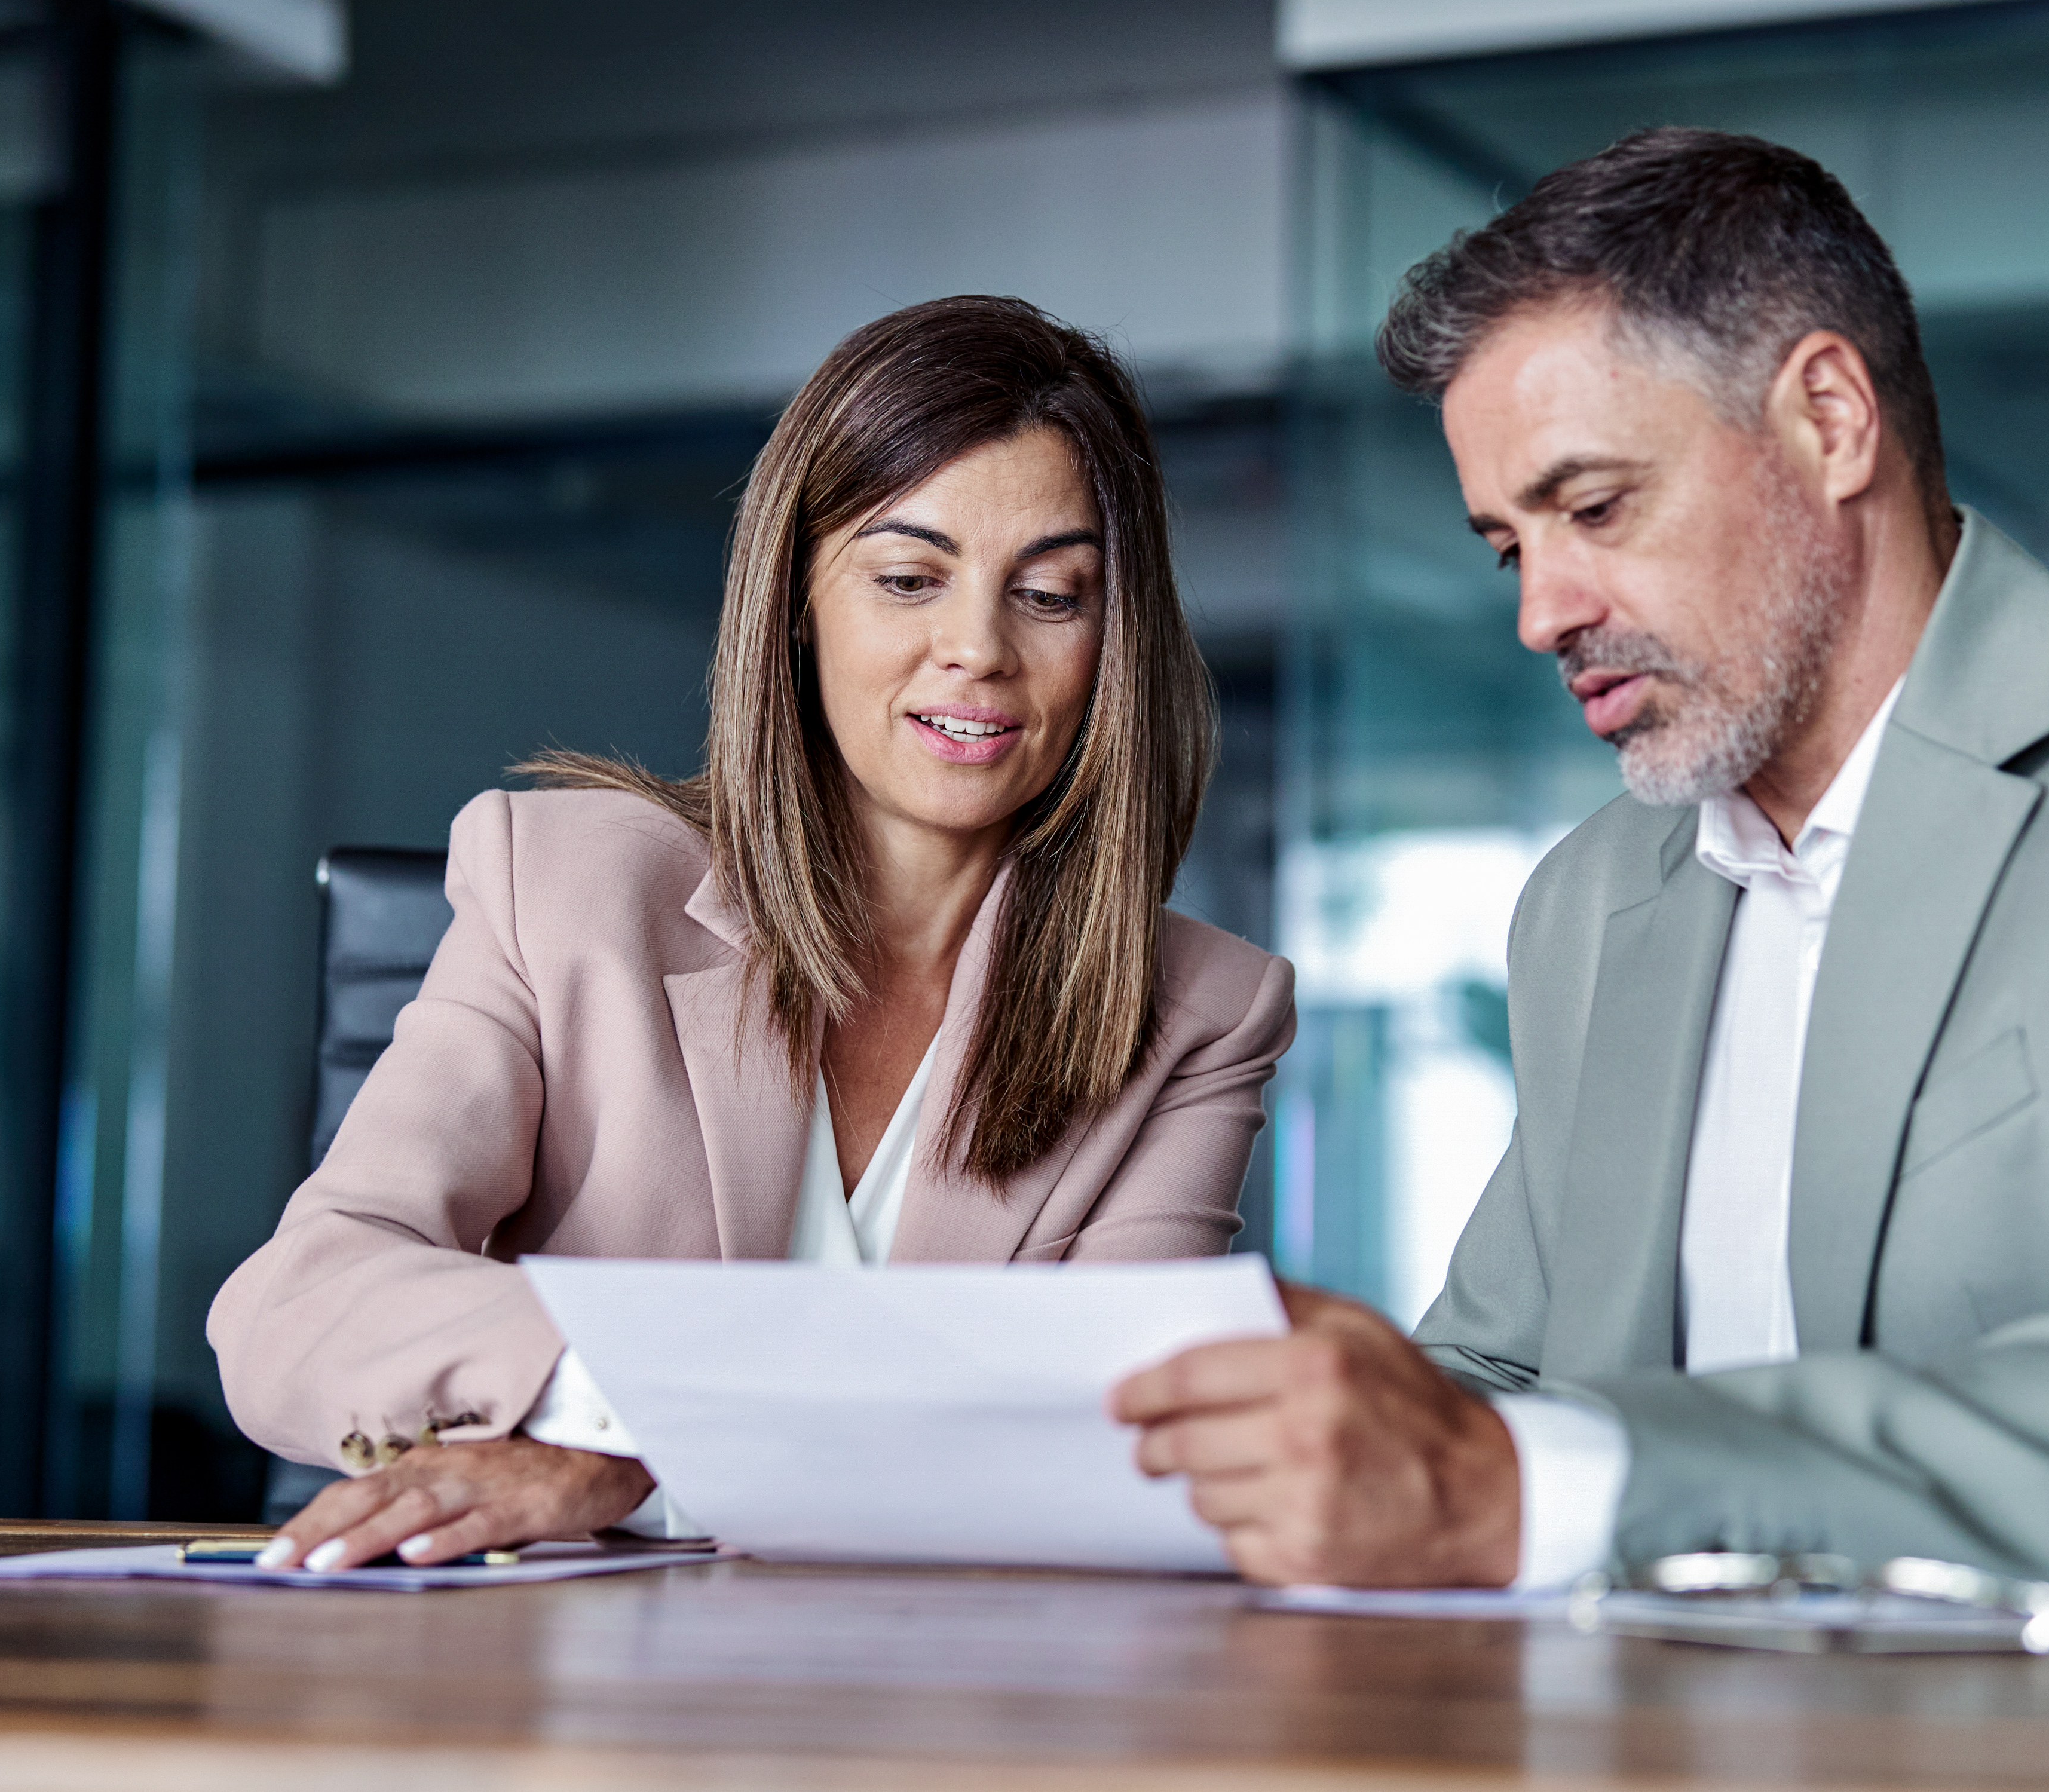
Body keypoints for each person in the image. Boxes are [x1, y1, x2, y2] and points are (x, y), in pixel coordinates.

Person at [1116, 127, 2049, 1591]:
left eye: (1592, 507)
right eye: (1505, 545)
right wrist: (1318, 1423)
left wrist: (1544, 1483)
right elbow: (1499, 1380)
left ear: (1831, 419)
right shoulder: (1592, 902)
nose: (1541, 610)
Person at [217, 295, 1294, 1570]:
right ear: (797, 600)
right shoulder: (557, 883)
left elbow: (1119, 1448)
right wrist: (613, 1421)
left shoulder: (1202, 1011)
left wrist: (661, 1444)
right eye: (907, 579)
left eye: (1051, 595)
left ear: (1113, 641)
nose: (977, 649)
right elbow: (297, 1304)